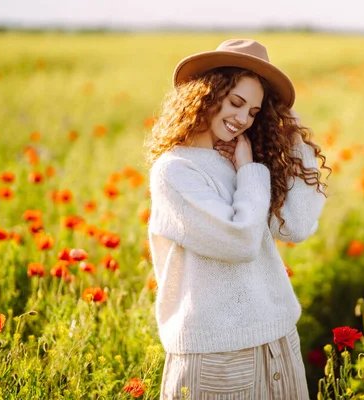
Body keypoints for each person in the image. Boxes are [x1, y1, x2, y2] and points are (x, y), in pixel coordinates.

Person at [143, 39, 330, 399]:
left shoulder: (241, 160)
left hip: (277, 340)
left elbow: (297, 225)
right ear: (207, 95)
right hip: (218, 355)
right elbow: (239, 241)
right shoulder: (175, 170)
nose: (243, 119)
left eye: (255, 112)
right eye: (236, 103)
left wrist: (289, 130)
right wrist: (248, 169)